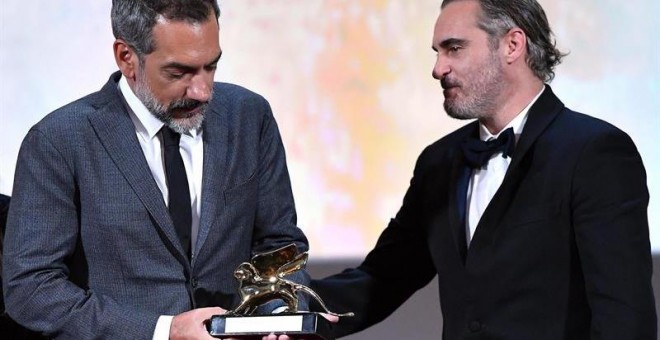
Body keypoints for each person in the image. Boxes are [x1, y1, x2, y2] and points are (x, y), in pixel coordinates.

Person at [311, 0, 656, 338]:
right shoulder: (439, 162)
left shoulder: (594, 152)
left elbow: (624, 317)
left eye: (454, 48)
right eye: (437, 52)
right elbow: (383, 279)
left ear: (512, 45)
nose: (438, 68)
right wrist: (283, 311)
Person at [2, 1, 310, 339]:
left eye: (211, 66)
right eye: (179, 72)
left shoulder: (250, 117)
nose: (203, 90)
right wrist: (165, 330)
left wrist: (281, 314)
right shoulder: (59, 141)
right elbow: (31, 289)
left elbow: (278, 245)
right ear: (126, 58)